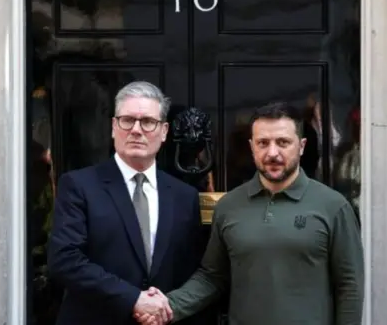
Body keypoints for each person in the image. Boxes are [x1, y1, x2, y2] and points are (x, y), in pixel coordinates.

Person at [135, 101, 364, 325]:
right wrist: (169, 306)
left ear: (301, 146)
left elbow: (349, 286)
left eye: (283, 142)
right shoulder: (229, 206)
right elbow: (213, 277)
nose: (272, 153)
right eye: (263, 143)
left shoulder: (333, 206)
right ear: (252, 146)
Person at [48, 81, 205, 325]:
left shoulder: (185, 196)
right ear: (113, 127)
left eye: (148, 122)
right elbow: (65, 260)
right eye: (127, 120)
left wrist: (166, 308)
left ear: (164, 132)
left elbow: (191, 269)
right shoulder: (79, 186)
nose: (136, 130)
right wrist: (133, 299)